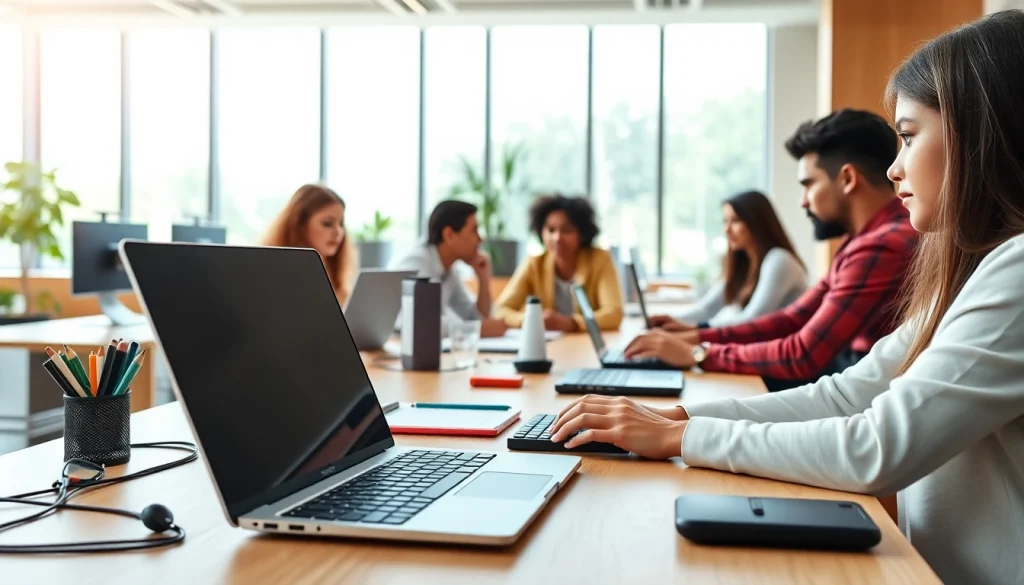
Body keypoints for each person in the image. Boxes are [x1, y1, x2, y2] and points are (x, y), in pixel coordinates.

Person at [550, 10, 1024, 585]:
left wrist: (681, 432)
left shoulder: (1016, 271)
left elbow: (877, 446)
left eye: (907, 135)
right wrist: (675, 416)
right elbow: (849, 394)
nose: (895, 168)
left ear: (980, 135)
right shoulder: (970, 269)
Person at [641, 109, 918, 392]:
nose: (803, 202)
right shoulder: (861, 241)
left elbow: (804, 353)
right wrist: (696, 336)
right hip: (855, 377)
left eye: (808, 185)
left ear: (847, 179)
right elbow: (793, 319)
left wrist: (699, 353)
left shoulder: (882, 245)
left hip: (868, 392)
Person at [663, 190, 807, 329]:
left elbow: (752, 320)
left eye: (736, 221)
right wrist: (665, 321)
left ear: (757, 223)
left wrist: (693, 328)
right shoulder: (743, 263)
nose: (727, 229)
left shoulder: (780, 260)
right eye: (725, 221)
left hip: (781, 349)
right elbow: (707, 309)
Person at [495, 194, 623, 332]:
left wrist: (572, 323)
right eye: (550, 230)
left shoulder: (599, 259)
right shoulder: (534, 263)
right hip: (550, 344)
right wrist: (531, 320)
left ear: (582, 234)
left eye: (566, 230)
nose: (557, 238)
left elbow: (614, 313)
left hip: (584, 342)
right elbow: (501, 310)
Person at [389, 200, 507, 338]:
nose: (480, 239)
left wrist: (484, 279)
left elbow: (476, 317)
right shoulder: (416, 266)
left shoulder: (449, 271)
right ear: (449, 235)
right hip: (395, 347)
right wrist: (479, 329)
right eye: (474, 230)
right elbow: (423, 324)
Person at [260, 184, 357, 307]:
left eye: (341, 224)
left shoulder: (339, 283)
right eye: (327, 223)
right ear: (300, 224)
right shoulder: (275, 280)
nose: (338, 232)